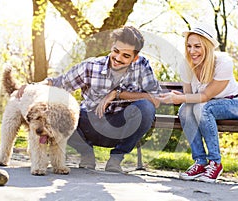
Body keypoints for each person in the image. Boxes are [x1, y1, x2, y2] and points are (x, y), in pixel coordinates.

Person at [17, 26, 161, 173]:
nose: (118, 58)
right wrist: (32, 85)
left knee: (146, 108)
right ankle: (86, 154)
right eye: (116, 51)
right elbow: (59, 82)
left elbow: (156, 99)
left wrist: (117, 94)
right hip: (90, 124)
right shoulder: (91, 66)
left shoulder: (142, 66)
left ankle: (116, 158)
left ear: (135, 58)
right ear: (112, 47)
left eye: (126, 56)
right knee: (65, 114)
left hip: (121, 126)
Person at [157, 22, 238, 182]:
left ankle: (215, 162)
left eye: (197, 46)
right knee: (185, 109)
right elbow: (190, 99)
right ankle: (200, 162)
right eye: (189, 46)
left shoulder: (223, 62)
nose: (192, 51)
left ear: (207, 46)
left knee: (204, 107)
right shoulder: (186, 66)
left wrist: (181, 98)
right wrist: (175, 97)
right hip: (206, 106)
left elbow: (204, 96)